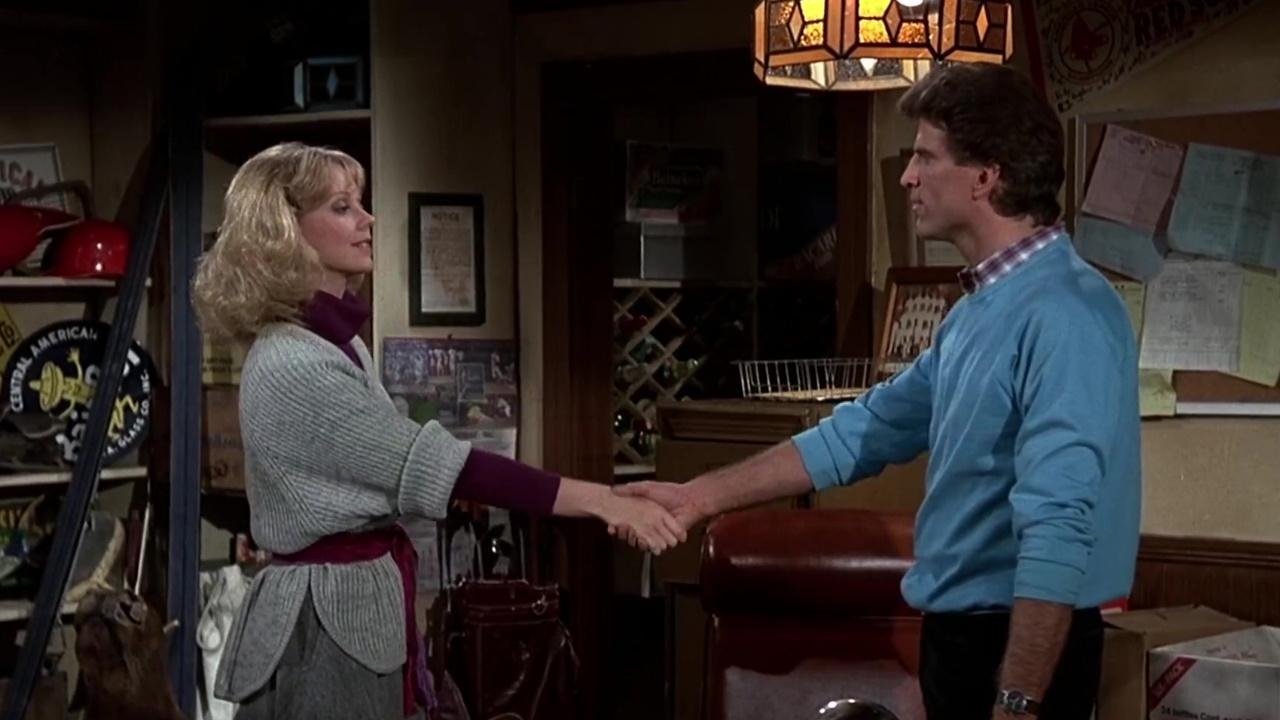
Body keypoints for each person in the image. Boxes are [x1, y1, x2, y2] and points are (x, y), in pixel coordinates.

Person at [618, 63, 1140, 720]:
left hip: (1018, 647)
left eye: (926, 157)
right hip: (962, 639)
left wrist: (1017, 701)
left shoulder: (1065, 312)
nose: (907, 177)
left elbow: (1059, 526)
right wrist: (697, 498)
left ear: (987, 176)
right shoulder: (978, 311)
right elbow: (864, 430)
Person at [192, 141, 685, 720]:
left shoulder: (337, 344)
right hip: (321, 624)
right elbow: (440, 465)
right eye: (342, 207)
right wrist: (603, 501)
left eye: (360, 203)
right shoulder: (293, 362)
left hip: (351, 605)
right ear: (285, 232)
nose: (368, 220)